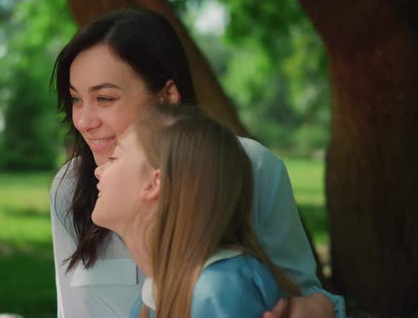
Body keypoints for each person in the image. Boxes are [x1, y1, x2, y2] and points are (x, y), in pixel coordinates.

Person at [49, 8, 345, 318]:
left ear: (166, 95)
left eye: (105, 98)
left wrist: (319, 306)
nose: (83, 121)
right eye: (76, 99)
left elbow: (295, 296)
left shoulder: (250, 167)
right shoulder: (70, 187)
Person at [92, 104, 301, 317]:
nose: (98, 171)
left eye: (113, 158)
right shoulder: (154, 297)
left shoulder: (218, 290)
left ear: (155, 183)